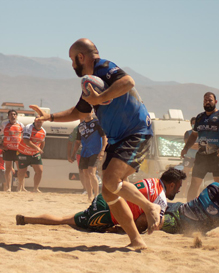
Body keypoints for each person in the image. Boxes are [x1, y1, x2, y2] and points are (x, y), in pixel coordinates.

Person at [30, 38, 159, 249]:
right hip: (118, 138)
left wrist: (100, 99)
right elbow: (79, 112)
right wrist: (49, 117)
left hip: (136, 131)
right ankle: (136, 240)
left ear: (81, 57)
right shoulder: (91, 83)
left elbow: (128, 82)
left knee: (110, 180)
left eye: (72, 59)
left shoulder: (104, 66)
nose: (72, 65)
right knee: (109, 193)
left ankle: (149, 206)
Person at [16, 168, 186, 234]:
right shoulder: (161, 198)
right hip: (105, 213)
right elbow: (144, 221)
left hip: (107, 196)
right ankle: (26, 219)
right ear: (171, 184)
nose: (178, 190)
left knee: (66, 218)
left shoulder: (151, 181)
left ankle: (26, 219)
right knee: (65, 220)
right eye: (178, 186)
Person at [181, 92, 219, 202]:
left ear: (215, 102)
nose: (207, 102)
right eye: (205, 100)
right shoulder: (200, 117)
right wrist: (186, 148)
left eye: (210, 100)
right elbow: (194, 135)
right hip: (202, 155)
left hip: (217, 156)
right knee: (195, 183)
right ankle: (189, 208)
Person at [162, 166, 219, 236]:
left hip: (180, 224)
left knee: (155, 220)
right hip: (177, 207)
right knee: (151, 203)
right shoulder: (213, 186)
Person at [72, 112, 107, 201]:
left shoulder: (97, 123)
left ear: (92, 112)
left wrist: (103, 150)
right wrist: (73, 154)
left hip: (95, 151)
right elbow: (77, 141)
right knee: (85, 173)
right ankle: (89, 195)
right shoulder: (81, 126)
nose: (87, 114)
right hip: (84, 152)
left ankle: (97, 195)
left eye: (89, 112)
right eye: (85, 112)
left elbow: (104, 137)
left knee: (92, 173)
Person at [0, 110, 24, 192]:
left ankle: (20, 187)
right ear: (8, 116)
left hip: (18, 150)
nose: (13, 116)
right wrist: (0, 145)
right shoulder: (4, 124)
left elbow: (25, 138)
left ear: (16, 116)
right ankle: (9, 187)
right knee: (8, 169)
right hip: (8, 150)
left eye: (14, 114)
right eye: (11, 114)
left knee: (20, 169)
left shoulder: (21, 125)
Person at [17, 118, 46, 192]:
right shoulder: (28, 128)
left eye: (40, 122)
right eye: (37, 121)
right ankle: (19, 187)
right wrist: (37, 148)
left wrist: (40, 150)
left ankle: (36, 188)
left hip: (34, 154)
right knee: (22, 171)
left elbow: (42, 142)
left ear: (42, 122)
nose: (38, 123)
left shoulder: (43, 131)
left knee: (39, 171)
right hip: (23, 152)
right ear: (34, 121)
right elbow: (26, 141)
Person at [67, 123, 86, 193]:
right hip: (81, 152)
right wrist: (70, 155)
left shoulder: (95, 125)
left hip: (92, 152)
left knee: (90, 172)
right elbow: (71, 141)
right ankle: (85, 189)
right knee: (82, 171)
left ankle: (90, 189)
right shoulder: (78, 128)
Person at [181, 117, 198, 194]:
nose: (194, 125)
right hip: (188, 157)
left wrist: (192, 145)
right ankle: (183, 193)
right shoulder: (188, 133)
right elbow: (188, 144)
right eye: (193, 123)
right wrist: (197, 146)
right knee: (185, 175)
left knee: (197, 176)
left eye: (196, 123)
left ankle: (196, 193)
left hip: (198, 158)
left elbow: (203, 145)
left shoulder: (202, 134)